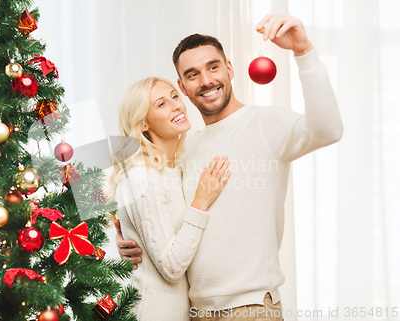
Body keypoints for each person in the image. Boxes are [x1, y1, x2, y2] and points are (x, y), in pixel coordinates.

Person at [115, 14, 344, 321]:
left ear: (229, 69)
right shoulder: (184, 149)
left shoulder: (266, 123)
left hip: (249, 309)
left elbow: (329, 129)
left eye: (213, 67)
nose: (206, 80)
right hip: (193, 311)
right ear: (183, 86)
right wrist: (124, 237)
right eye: (193, 74)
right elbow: (114, 180)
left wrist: (303, 50)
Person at [108, 77, 231, 320]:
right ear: (143, 123)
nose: (176, 106)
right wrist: (200, 202)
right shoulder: (143, 176)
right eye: (161, 104)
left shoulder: (177, 169)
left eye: (175, 96)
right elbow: (171, 267)